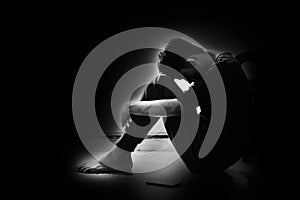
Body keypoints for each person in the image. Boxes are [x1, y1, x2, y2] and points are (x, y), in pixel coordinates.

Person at [76, 38, 252, 174]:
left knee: (161, 83)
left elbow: (178, 107)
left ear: (191, 62)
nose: (184, 83)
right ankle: (119, 155)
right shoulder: (225, 61)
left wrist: (130, 107)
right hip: (226, 155)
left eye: (182, 77)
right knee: (164, 82)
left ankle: (119, 157)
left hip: (206, 160)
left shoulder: (216, 75)